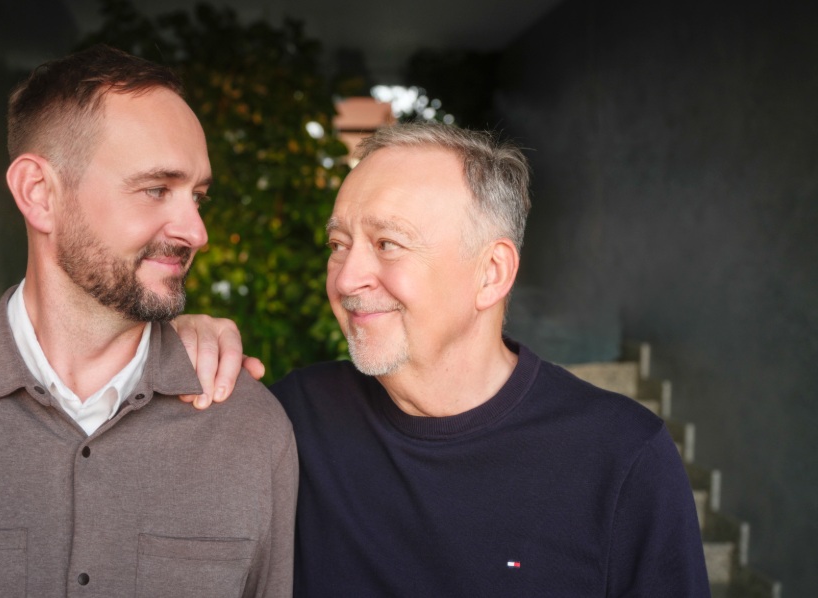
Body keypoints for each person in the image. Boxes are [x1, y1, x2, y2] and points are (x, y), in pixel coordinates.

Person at [0, 45, 296, 597]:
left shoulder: (251, 434)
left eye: (198, 197)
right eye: (156, 189)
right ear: (38, 194)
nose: (195, 231)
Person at [183, 122, 710, 596]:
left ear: (491, 273)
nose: (345, 279)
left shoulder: (621, 455)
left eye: (388, 243)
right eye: (339, 243)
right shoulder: (296, 419)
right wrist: (171, 346)